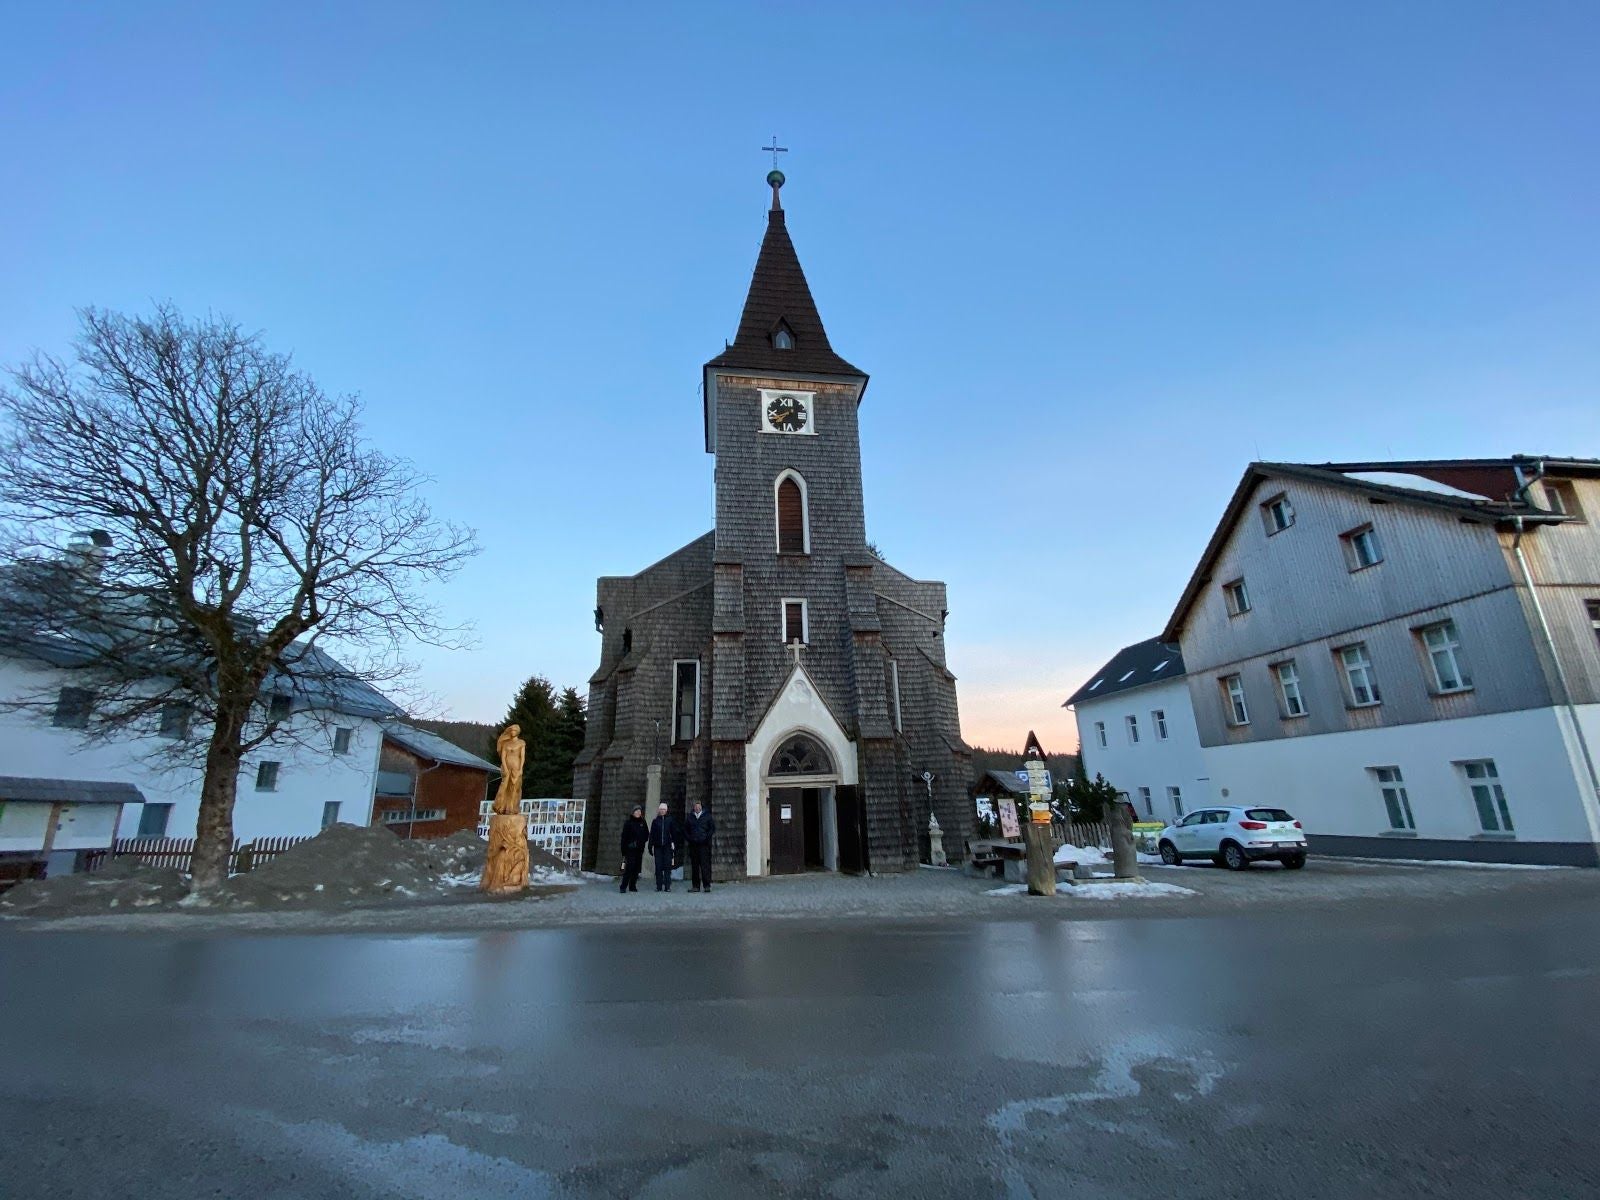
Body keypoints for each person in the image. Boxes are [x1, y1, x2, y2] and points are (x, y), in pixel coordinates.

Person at [648, 802, 681, 892]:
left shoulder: (670, 820)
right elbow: (652, 835)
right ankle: (659, 886)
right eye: (661, 809)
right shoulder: (655, 821)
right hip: (658, 846)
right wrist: (650, 846)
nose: (662, 811)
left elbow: (674, 833)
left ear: (666, 811)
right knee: (658, 867)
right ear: (659, 810)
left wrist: (675, 845)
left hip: (667, 846)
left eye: (664, 809)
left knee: (667, 867)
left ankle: (667, 886)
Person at [684, 799, 716, 893]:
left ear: (701, 807)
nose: (697, 808)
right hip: (693, 845)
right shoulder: (690, 817)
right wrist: (689, 838)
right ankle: (695, 886)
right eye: (696, 806)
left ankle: (706, 885)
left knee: (704, 865)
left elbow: (712, 828)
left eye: (699, 806)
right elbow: (685, 830)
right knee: (694, 866)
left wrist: (706, 837)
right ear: (694, 808)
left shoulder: (707, 816)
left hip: (704, 845)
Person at [618, 805, 648, 894]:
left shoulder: (643, 822)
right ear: (633, 812)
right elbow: (624, 837)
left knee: (636, 868)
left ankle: (632, 885)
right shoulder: (628, 823)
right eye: (636, 811)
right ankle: (623, 886)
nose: (638, 812)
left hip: (639, 849)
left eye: (639, 811)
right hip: (630, 849)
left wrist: (642, 841)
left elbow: (647, 834)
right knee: (629, 867)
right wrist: (624, 849)